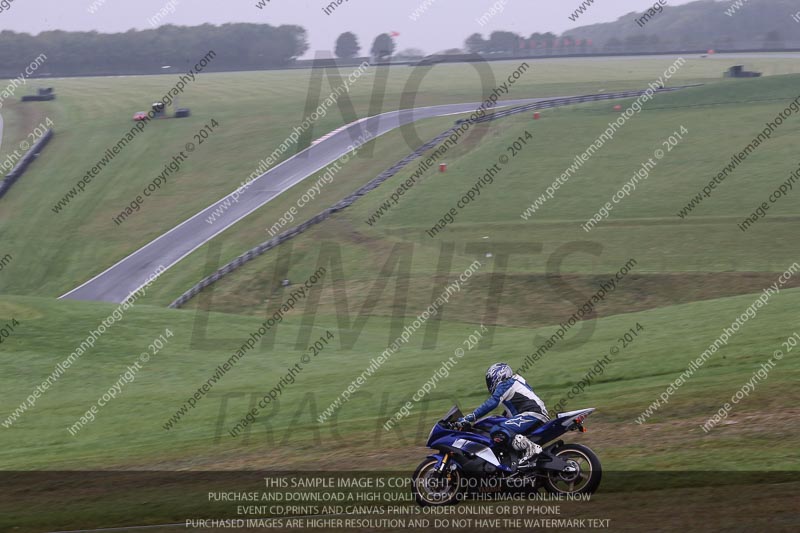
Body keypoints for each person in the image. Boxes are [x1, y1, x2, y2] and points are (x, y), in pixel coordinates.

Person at [457, 363, 549, 466]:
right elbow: (513, 409)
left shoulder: (506, 384)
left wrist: (471, 417)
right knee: (501, 427)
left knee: (498, 430)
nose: (489, 383)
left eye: (490, 380)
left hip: (532, 413)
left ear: (498, 375)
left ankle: (531, 448)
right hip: (532, 413)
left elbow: (492, 403)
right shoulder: (514, 382)